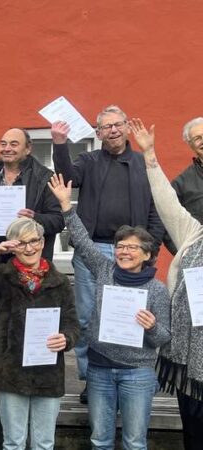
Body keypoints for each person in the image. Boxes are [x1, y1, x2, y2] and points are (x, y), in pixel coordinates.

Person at [49, 172, 170, 450]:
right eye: (120, 246)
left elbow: (163, 339)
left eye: (132, 247)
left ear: (147, 255)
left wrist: (151, 326)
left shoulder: (157, 289)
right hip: (100, 369)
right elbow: (81, 240)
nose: (124, 252)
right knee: (100, 441)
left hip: (137, 373)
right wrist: (67, 207)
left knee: (135, 443)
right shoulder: (105, 270)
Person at [51, 107, 164, 402]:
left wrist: (152, 248)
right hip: (94, 249)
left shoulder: (142, 163)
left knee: (134, 317)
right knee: (89, 317)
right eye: (105, 127)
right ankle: (93, 380)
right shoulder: (89, 160)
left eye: (117, 125)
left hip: (134, 252)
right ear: (98, 134)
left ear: (126, 127)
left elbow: (158, 206)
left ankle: (136, 377)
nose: (112, 130)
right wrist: (60, 143)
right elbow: (66, 178)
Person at [0, 216, 79, 450]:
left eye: (34, 241)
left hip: (47, 373)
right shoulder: (1, 275)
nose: (29, 248)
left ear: (42, 242)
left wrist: (66, 338)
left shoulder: (59, 281)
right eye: (21, 243)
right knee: (13, 442)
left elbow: (73, 324)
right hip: (11, 370)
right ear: (11, 246)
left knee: (44, 443)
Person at [132, 118, 203, 450]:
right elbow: (167, 202)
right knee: (195, 428)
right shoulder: (193, 234)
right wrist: (149, 155)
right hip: (190, 351)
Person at [0, 128, 64, 261]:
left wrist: (35, 217)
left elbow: (59, 221)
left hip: (30, 259)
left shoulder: (44, 178)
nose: (7, 148)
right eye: (3, 144)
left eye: (14, 144)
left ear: (28, 149)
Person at [164, 117, 203, 254]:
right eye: (197, 138)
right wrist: (185, 254)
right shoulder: (181, 183)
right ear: (190, 145)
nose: (202, 141)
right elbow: (166, 223)